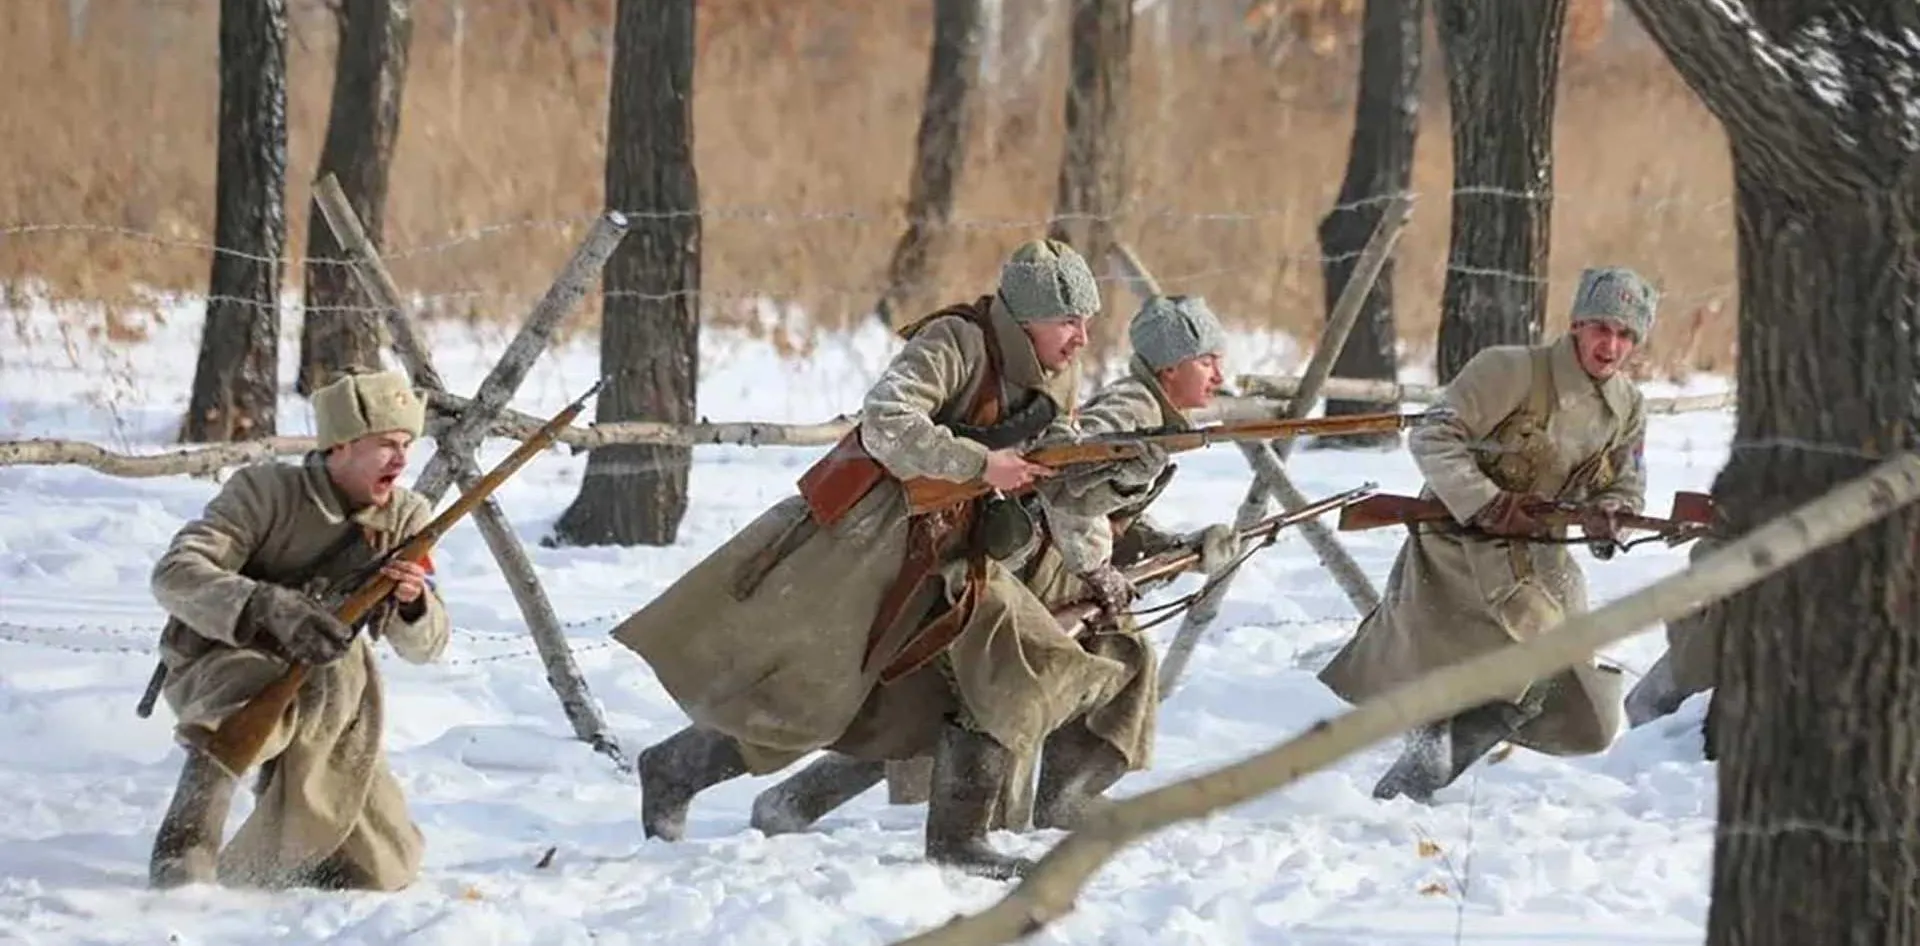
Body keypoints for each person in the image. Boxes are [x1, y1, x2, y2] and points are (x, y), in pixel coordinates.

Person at [612, 239, 1150, 879]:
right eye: (1069, 320)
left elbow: (1055, 468)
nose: (1083, 338)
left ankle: (957, 840)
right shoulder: (955, 342)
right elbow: (885, 423)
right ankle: (675, 770)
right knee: (816, 699)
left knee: (999, 664)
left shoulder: (1055, 372)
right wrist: (980, 464)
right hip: (866, 546)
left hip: (955, 555)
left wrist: (1117, 476)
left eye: (1086, 321)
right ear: (1026, 315)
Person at [747, 295, 1241, 837]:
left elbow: (1105, 515)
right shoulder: (1131, 413)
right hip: (1032, 568)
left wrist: (1177, 544)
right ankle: (1038, 809)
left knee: (939, 709)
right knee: (1003, 694)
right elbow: (1070, 491)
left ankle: (798, 804)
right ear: (1170, 366)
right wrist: (1101, 557)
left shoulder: (1149, 413)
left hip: (1049, 566)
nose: (1219, 373)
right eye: (1206, 360)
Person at [1317, 266, 1657, 803]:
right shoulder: (1509, 370)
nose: (1610, 345)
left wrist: (1612, 512)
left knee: (1583, 710)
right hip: (1460, 550)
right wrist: (1488, 502)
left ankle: (1430, 759)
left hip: (1543, 558)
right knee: (1522, 663)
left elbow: (1626, 478)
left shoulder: (1627, 406)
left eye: (1625, 334)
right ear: (1575, 325)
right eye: (1600, 328)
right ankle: (1407, 789)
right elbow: (1434, 436)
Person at [146, 369, 450, 890]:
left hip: (336, 681)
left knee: (386, 868)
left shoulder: (406, 517)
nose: (401, 460)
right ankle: (184, 851)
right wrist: (266, 605)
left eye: (406, 445)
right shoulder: (263, 491)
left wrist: (413, 603)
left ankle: (280, 866)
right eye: (385, 445)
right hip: (227, 655)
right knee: (241, 716)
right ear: (341, 446)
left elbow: (429, 648)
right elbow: (175, 573)